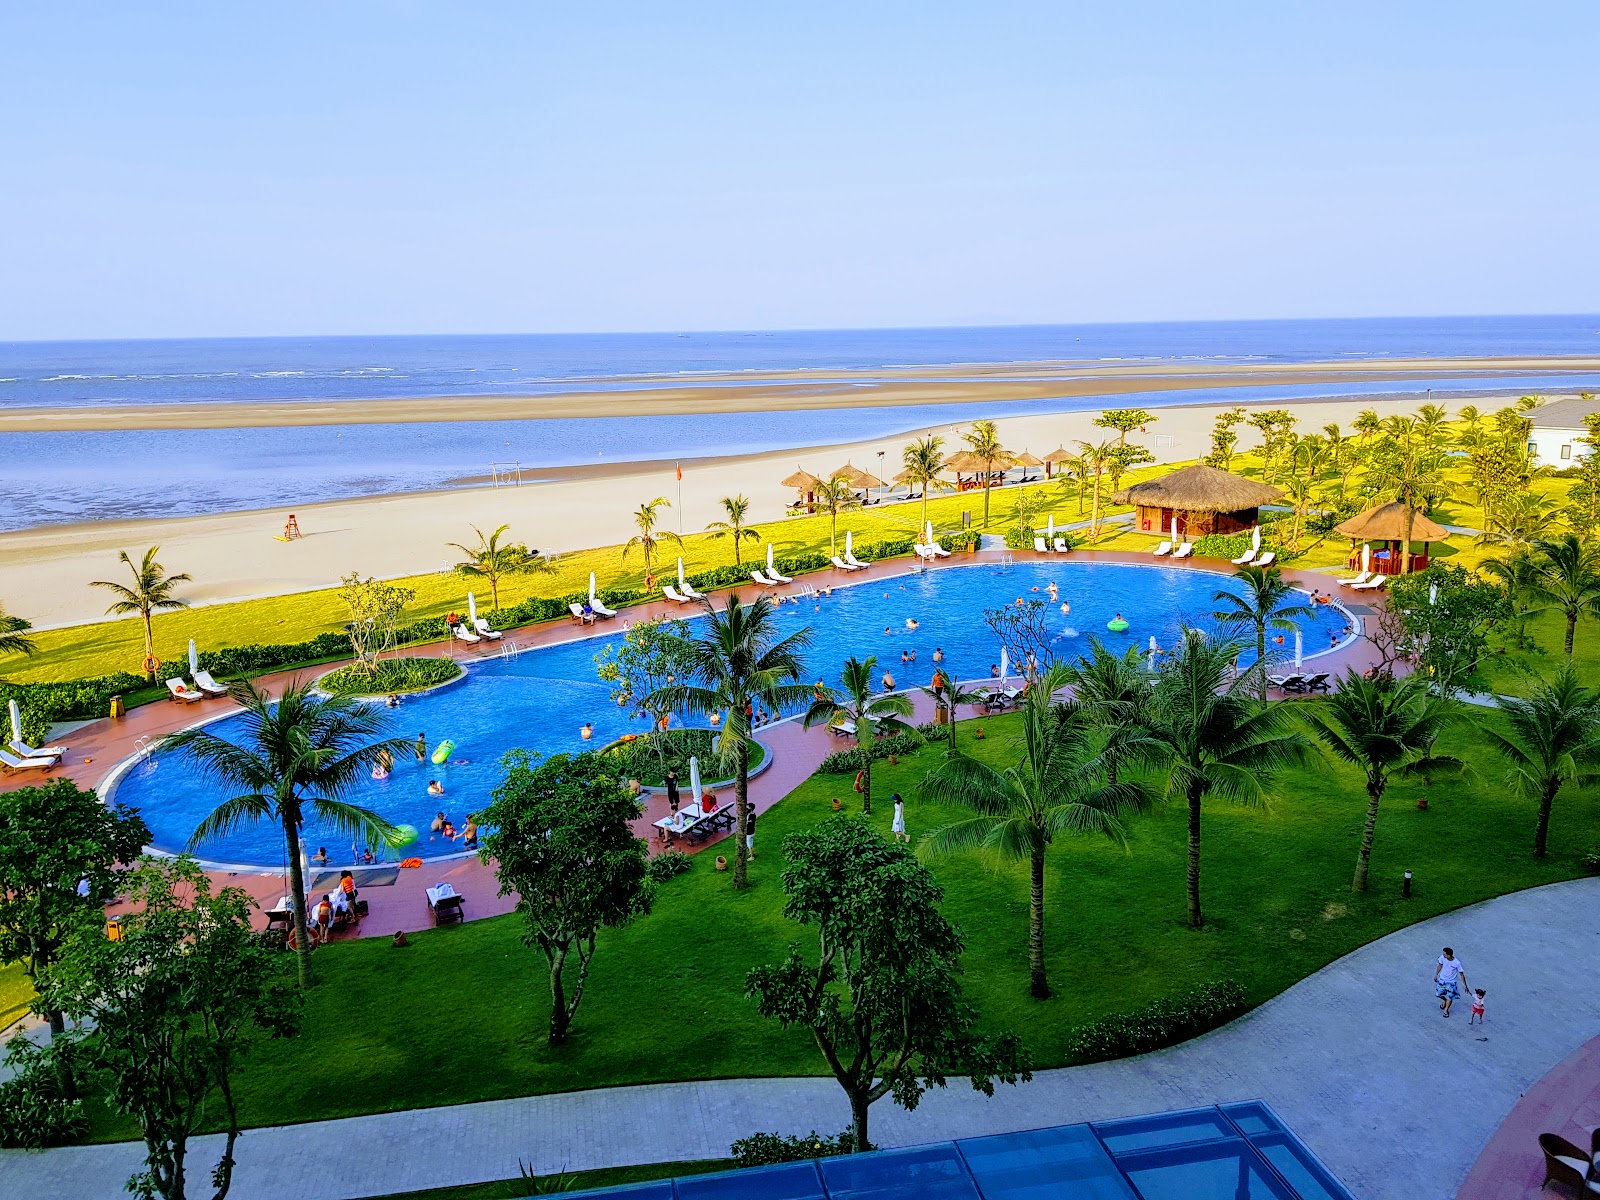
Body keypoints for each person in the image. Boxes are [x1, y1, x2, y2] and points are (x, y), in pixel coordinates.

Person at [1434, 947, 1468, 1018]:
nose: (1443, 955)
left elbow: (1461, 974)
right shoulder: (1442, 958)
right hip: (1442, 980)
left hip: (1451, 983)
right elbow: (1440, 965)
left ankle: (1446, 1010)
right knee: (1439, 994)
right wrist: (1436, 974)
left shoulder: (1457, 963)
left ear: (1448, 955)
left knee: (1450, 996)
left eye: (1444, 954)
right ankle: (1445, 1000)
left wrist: (1465, 986)